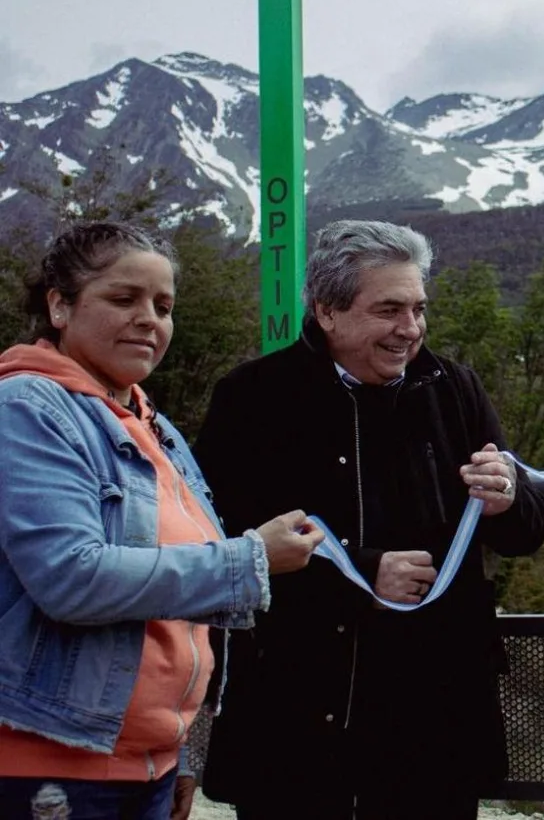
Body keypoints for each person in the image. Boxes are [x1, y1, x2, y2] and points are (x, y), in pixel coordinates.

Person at [196, 220, 544, 820]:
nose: (409, 330)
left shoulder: (455, 389)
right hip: (297, 714)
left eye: (418, 309)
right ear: (327, 311)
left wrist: (508, 500)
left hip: (432, 715)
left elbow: (528, 532)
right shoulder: (253, 398)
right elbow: (223, 545)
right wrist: (362, 578)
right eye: (389, 310)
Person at [0, 222, 322, 820]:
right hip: (49, 766)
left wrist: (186, 749)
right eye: (124, 299)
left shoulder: (153, 425)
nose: (150, 319)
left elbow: (185, 621)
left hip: (145, 764)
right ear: (59, 305)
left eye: (164, 305)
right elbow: (71, 578)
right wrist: (251, 558)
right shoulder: (26, 408)